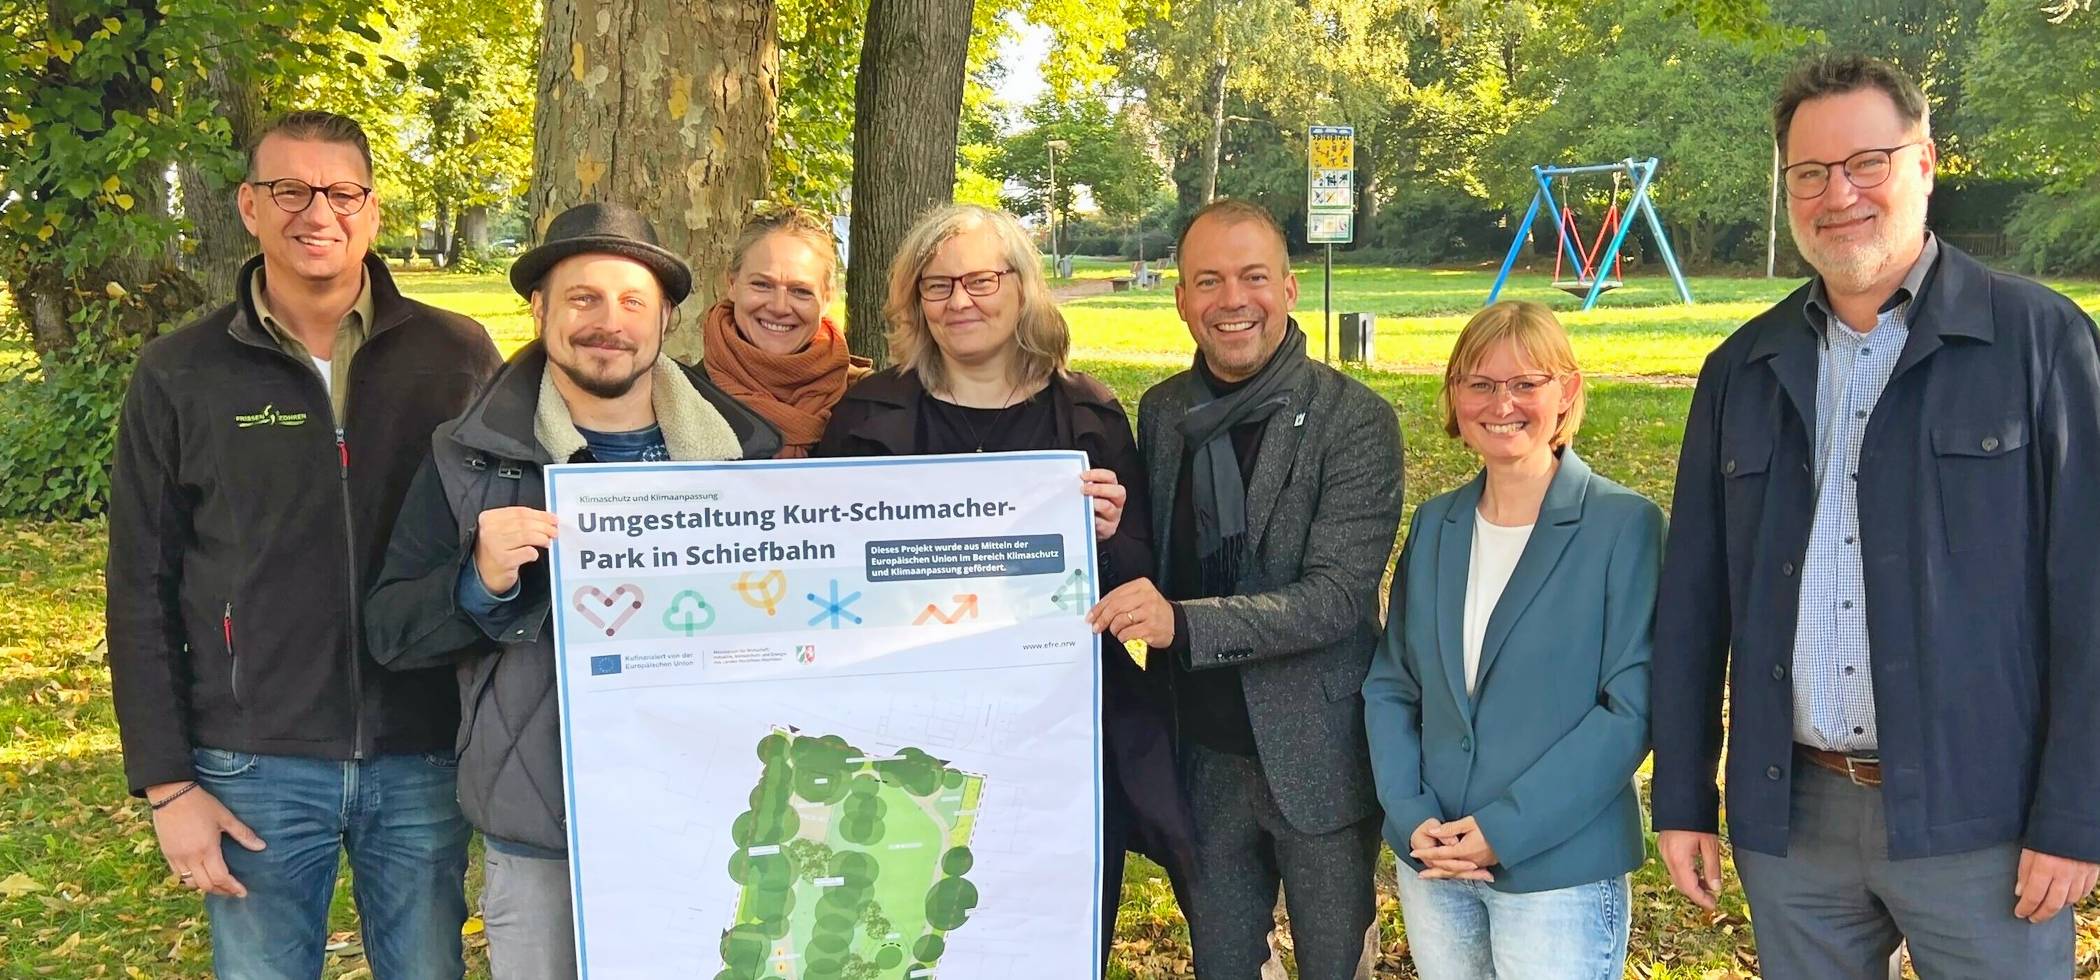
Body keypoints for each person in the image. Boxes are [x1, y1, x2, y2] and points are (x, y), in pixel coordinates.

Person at [1650, 53, 2100, 979]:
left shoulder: (2041, 343)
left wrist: (2076, 813)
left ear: (1926, 162)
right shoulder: (1742, 366)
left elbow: (2092, 597)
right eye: (1809, 174)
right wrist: (1687, 795)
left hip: (1984, 823)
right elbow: (1693, 601)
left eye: (1867, 162)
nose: (1837, 194)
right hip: (1793, 822)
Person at [105, 110, 500, 979]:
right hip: (254, 762)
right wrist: (168, 785)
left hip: (423, 751)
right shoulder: (181, 371)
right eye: (289, 189)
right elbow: (139, 585)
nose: (316, 212)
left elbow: (503, 534)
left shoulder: (456, 354)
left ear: (373, 210)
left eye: (341, 192)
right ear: (250, 206)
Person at [364, 202, 781, 978]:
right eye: (583, 298)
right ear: (540, 310)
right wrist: (476, 584)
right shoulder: (469, 458)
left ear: (665, 322)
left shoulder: (746, 460)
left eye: (632, 302)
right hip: (544, 833)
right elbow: (390, 631)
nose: (608, 323)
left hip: (718, 823)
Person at [816, 203, 1198, 965]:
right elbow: (829, 571)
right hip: (909, 729)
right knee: (919, 932)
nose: (960, 301)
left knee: (1057, 934)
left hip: (1058, 734)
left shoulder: (1087, 417)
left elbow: (1142, 579)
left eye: (980, 280)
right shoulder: (869, 415)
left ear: (1021, 288)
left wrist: (1113, 537)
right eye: (938, 286)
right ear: (915, 302)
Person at [1088, 198, 1403, 980]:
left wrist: (1183, 624)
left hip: (1319, 757)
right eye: (1209, 281)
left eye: (1253, 277)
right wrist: (1101, 536)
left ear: (1289, 290)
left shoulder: (1355, 421)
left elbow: (1334, 597)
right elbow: (1156, 560)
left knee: (1337, 965)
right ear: (1182, 300)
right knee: (1222, 965)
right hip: (1200, 752)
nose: (1233, 300)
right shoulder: (1164, 412)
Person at [1363, 300, 1660, 979]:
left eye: (1527, 383)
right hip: (1434, 857)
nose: (1503, 403)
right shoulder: (1437, 525)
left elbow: (1631, 708)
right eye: (1481, 383)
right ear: (1455, 397)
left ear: (1567, 393)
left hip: (1557, 869)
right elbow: (1392, 682)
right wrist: (1409, 814)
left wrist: (1507, 828)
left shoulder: (1624, 526)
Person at [702, 207, 872, 457]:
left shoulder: (871, 403)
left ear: (827, 298)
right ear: (732, 285)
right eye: (762, 284)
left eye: (800, 291)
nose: (779, 307)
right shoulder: (678, 399)